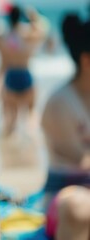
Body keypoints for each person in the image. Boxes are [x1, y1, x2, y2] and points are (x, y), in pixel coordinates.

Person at [41, 13, 90, 239]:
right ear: (86, 59)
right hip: (65, 200)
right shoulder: (60, 103)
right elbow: (82, 161)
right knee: (78, 208)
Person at [0, 5, 47, 137]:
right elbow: (42, 31)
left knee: (11, 117)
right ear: (20, 17)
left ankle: (8, 145)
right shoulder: (26, 34)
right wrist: (33, 16)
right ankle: (32, 144)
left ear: (8, 18)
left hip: (11, 76)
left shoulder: (4, 36)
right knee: (31, 114)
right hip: (24, 74)